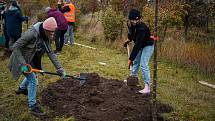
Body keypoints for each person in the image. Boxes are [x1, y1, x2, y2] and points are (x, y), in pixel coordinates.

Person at [8, 17, 67, 116]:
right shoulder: (31, 34)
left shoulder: (45, 35)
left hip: (30, 59)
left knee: (33, 75)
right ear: (45, 30)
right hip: (20, 60)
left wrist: (59, 68)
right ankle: (33, 106)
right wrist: (24, 64)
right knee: (33, 80)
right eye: (50, 32)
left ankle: (22, 89)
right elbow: (16, 47)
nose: (52, 35)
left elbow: (50, 53)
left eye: (53, 32)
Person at [124, 9, 154, 94]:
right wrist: (128, 40)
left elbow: (138, 44)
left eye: (136, 20)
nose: (134, 21)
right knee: (136, 62)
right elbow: (131, 33)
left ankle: (147, 87)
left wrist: (130, 59)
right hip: (140, 45)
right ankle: (132, 80)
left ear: (139, 19)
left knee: (143, 64)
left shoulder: (142, 28)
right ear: (130, 19)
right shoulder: (130, 24)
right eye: (133, 20)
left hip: (147, 46)